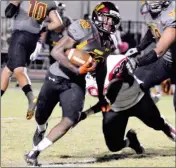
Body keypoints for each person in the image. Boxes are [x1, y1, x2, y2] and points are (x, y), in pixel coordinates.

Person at [24, 2, 121, 166]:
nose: (109, 23)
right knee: (41, 116)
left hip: (75, 83)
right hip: (57, 74)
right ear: (97, 16)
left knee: (70, 119)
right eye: (107, 19)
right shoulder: (83, 27)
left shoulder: (108, 43)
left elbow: (102, 67)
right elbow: (56, 52)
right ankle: (41, 129)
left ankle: (35, 151)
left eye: (112, 20)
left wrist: (101, 94)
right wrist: (76, 70)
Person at [77, 54, 176, 154]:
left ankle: (165, 126)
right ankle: (131, 142)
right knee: (114, 146)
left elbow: (133, 74)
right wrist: (84, 114)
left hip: (137, 99)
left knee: (158, 125)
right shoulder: (89, 79)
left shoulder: (115, 61)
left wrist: (86, 114)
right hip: (115, 108)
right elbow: (106, 102)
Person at [1, 1, 63, 120]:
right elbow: (58, 23)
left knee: (18, 70)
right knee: (7, 71)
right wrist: (42, 28)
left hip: (19, 36)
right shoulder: (49, 2)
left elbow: (8, 13)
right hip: (33, 39)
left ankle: (31, 98)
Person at [125, 1, 176, 111]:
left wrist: (137, 61)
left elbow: (160, 50)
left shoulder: (172, 11)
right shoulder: (146, 9)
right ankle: (144, 103)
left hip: (166, 55)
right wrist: (139, 48)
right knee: (137, 79)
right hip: (167, 60)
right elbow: (153, 28)